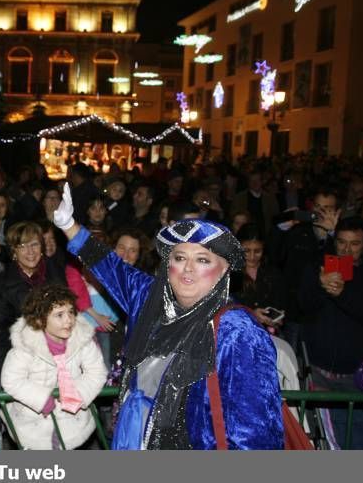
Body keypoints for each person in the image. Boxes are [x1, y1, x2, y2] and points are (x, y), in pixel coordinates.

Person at [54, 183, 283, 449]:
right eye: (179, 257)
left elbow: (254, 435)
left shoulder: (237, 331)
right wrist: (69, 225)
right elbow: (112, 267)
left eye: (203, 260)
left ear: (223, 271)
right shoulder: (151, 298)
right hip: (132, 438)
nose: (187, 268)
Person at [298, 216, 363, 449]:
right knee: (331, 442)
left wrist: (341, 294)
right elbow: (302, 308)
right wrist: (320, 287)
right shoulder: (316, 269)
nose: (347, 249)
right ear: (334, 242)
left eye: (355, 243)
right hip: (318, 371)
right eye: (341, 242)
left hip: (354, 374)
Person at [1, 284, 107, 450]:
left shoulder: (83, 340)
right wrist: (41, 399)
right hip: (33, 423)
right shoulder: (25, 347)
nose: (69, 320)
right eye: (59, 315)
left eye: (71, 312)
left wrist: (78, 394)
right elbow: (11, 379)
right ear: (39, 320)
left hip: (73, 422)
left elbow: (97, 372)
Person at [0, 221, 66, 376]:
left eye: (34, 244)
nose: (30, 251)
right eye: (23, 246)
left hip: (56, 360)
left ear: (42, 247)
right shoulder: (1, 283)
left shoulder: (56, 276)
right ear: (14, 251)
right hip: (18, 361)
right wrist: (7, 369)